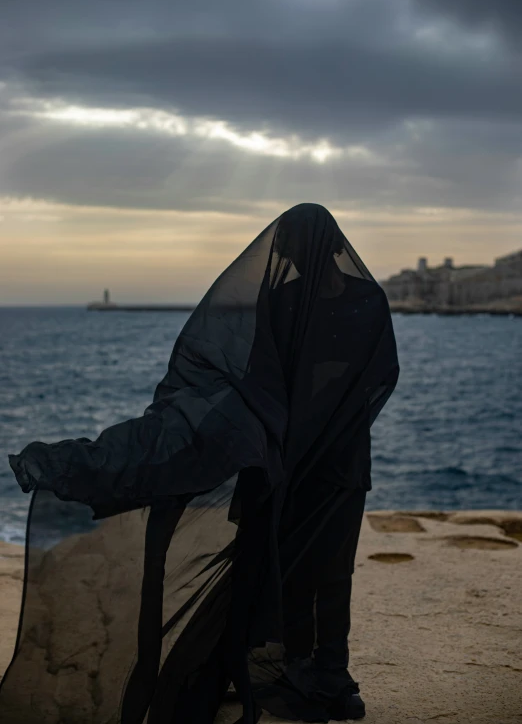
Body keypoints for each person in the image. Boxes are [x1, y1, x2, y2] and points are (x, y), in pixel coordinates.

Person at [0, 203, 399, 724]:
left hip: (326, 461)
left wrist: (299, 430)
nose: (289, 258)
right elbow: (331, 378)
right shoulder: (320, 299)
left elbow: (350, 376)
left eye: (292, 249)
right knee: (299, 570)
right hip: (309, 458)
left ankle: (325, 675)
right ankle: (308, 671)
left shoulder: (349, 300)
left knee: (326, 570)